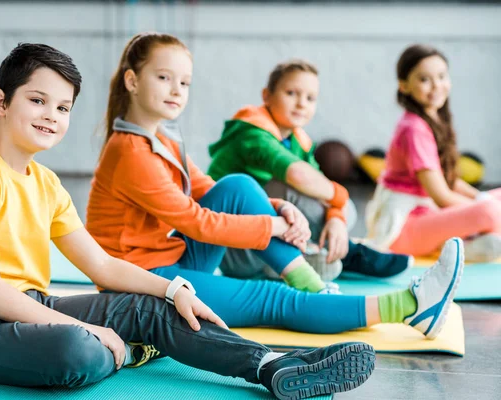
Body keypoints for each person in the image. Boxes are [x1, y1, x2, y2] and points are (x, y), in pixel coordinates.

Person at [0, 42, 378, 399]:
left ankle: (273, 365)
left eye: (63, 107)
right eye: (38, 101)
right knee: (78, 351)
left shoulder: (45, 182)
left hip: (32, 306)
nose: (51, 116)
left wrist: (172, 289)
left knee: (154, 308)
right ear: (1, 100)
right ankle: (128, 347)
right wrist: (90, 329)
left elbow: (103, 268)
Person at [86, 32, 464, 342]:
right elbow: (196, 222)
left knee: (238, 185)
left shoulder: (162, 138)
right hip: (141, 283)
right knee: (273, 299)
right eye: (164, 77)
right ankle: (411, 307)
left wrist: (276, 206)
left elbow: (207, 188)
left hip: (170, 261)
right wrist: (274, 227)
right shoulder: (130, 151)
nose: (177, 90)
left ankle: (313, 285)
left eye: (184, 81)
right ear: (132, 80)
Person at [206, 59, 412, 281]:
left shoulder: (297, 139)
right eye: (292, 93)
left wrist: (336, 218)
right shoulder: (252, 132)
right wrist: (339, 198)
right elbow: (298, 175)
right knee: (292, 190)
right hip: (228, 249)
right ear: (267, 96)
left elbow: (322, 186)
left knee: (344, 211)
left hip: (262, 247)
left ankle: (321, 256)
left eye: (310, 98)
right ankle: (350, 254)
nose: (301, 103)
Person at [365, 44, 501, 262]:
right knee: (491, 213)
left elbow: (449, 181)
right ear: (404, 86)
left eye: (441, 76)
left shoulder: (434, 120)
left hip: (429, 215)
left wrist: (480, 197)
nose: (436, 86)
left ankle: (467, 244)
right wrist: (485, 208)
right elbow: (441, 195)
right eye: (424, 79)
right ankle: (458, 244)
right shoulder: (413, 129)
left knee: (494, 203)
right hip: (406, 228)